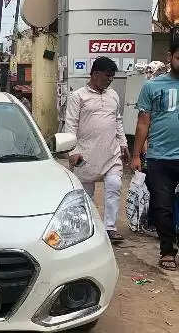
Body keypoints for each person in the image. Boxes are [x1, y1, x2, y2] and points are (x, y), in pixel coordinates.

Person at [64, 56, 129, 242]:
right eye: (107, 75)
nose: (109, 80)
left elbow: (118, 121)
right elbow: (70, 124)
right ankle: (90, 227)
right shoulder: (78, 96)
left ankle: (110, 227)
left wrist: (123, 144)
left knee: (115, 186)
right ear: (95, 74)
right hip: (86, 153)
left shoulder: (113, 95)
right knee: (86, 194)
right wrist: (72, 150)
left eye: (112, 77)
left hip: (112, 151)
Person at [132, 43, 179, 271]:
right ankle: (167, 251)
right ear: (170, 57)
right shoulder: (152, 86)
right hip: (160, 157)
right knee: (162, 207)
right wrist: (136, 155)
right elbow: (143, 123)